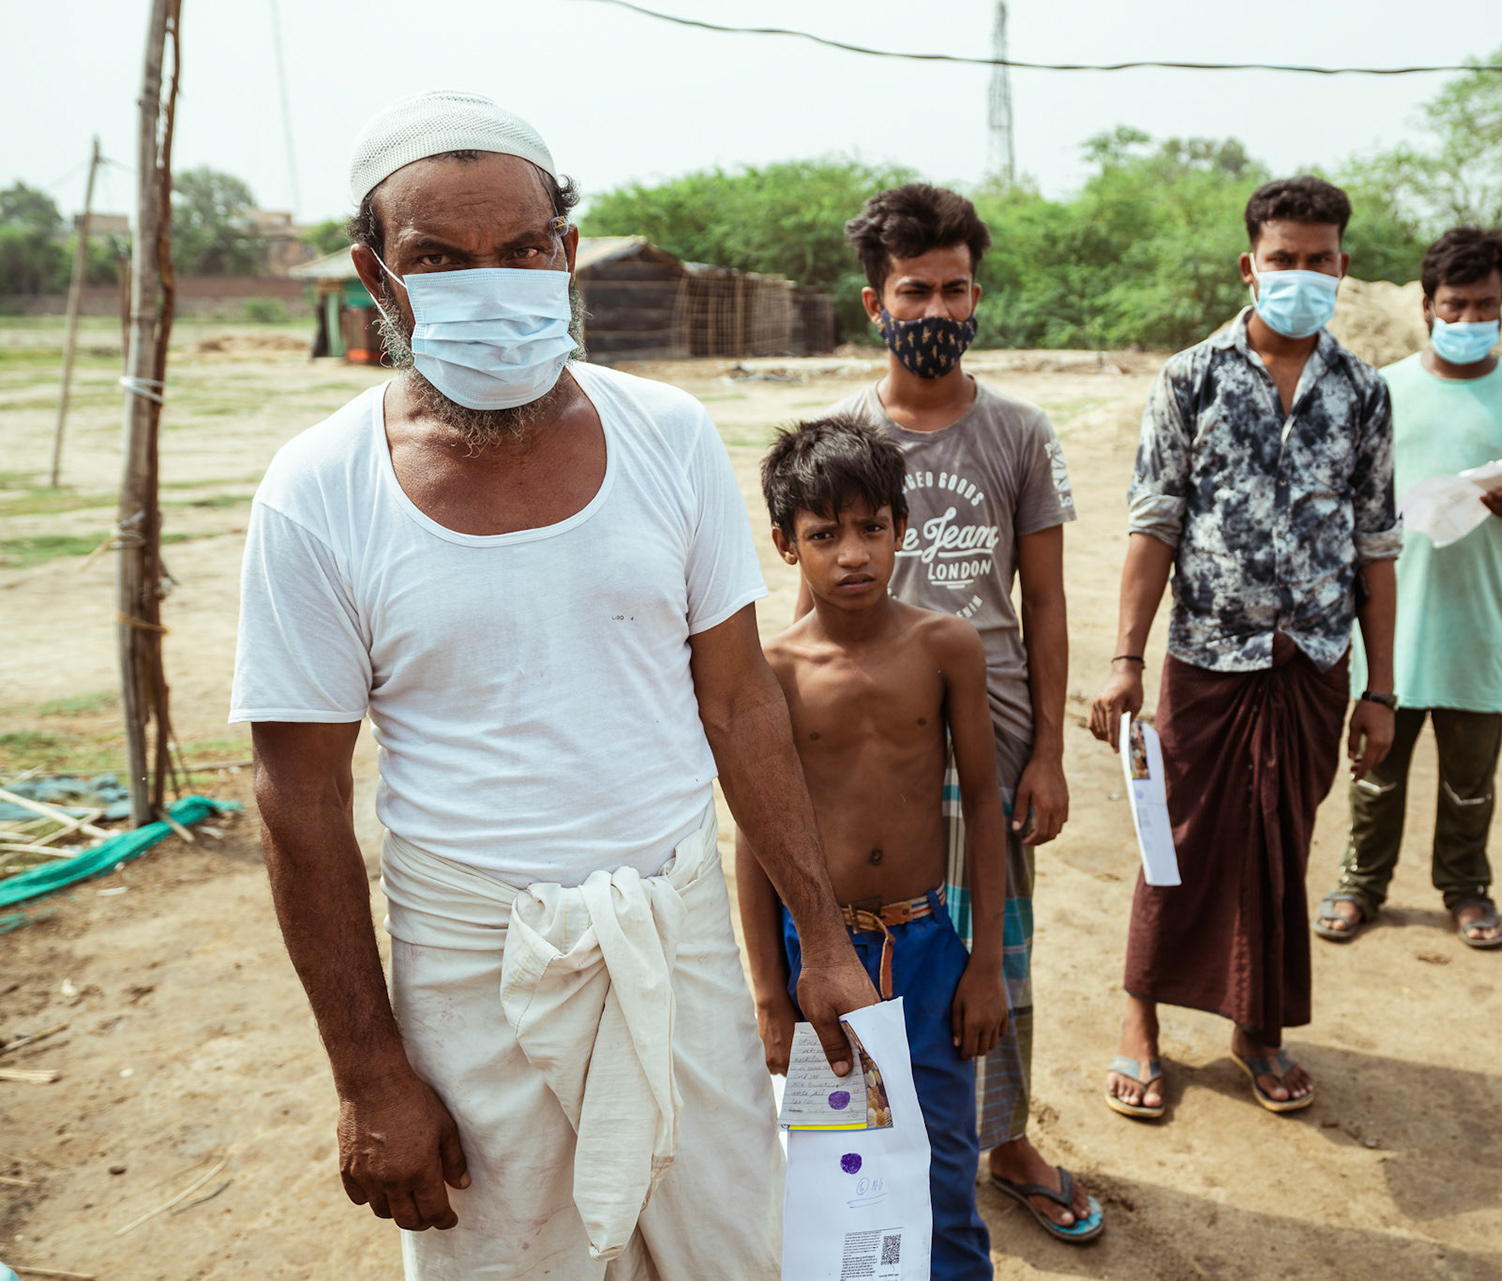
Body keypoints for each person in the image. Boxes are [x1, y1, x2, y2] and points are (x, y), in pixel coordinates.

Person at [229, 91, 875, 1281]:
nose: (495, 283)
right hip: (477, 974)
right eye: (440, 259)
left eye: (523, 250)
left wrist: (820, 939)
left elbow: (737, 702)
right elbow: (298, 798)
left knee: (735, 1252)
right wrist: (370, 1074)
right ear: (380, 281)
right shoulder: (318, 491)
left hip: (674, 941)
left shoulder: (669, 436)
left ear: (567, 256)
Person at [814, 184, 1100, 1241]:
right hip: (868, 739)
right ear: (873, 303)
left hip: (997, 735)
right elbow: (808, 614)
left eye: (955, 288)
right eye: (913, 290)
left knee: (995, 946)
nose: (935, 308)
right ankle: (881, 1135)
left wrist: (1051, 758)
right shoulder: (839, 432)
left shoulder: (1019, 433)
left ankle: (1003, 1138)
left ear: (978, 296)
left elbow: (1049, 600)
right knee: (874, 934)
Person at [1088, 175, 1400, 1120]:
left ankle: (1256, 1028)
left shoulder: (1363, 392)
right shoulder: (1190, 378)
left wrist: (1381, 688)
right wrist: (1126, 658)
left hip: (1312, 663)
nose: (1300, 275)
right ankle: (1141, 1018)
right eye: (1283, 260)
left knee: (1282, 845)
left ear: (1342, 268)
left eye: (1318, 261)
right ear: (1249, 266)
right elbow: (1154, 525)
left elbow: (1378, 547)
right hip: (1207, 659)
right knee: (1173, 842)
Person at [739, 415, 1009, 1280]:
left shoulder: (947, 647)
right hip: (815, 950)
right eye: (824, 534)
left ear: (903, 527)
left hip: (930, 945)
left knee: (943, 1160)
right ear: (788, 545)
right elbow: (755, 841)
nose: (851, 553)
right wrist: (769, 993)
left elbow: (986, 804)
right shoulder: (771, 669)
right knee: (832, 1166)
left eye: (870, 528)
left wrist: (987, 964)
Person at [1314, 227, 1502, 951]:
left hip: (1475, 625)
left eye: (1483, 305)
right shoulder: (1382, 389)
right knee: (1375, 774)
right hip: (1386, 626)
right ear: (1425, 307)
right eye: (1453, 305)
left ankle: (1465, 888)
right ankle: (1361, 883)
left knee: (1469, 781)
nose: (1467, 321)